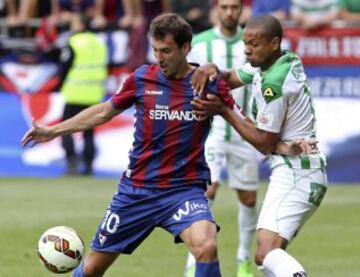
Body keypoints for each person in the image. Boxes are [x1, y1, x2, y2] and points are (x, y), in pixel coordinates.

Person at [22, 13, 308, 277]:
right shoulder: (141, 79)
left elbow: (244, 122)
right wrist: (53, 130)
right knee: (93, 268)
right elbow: (103, 111)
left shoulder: (209, 85)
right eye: (155, 50)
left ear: (186, 48)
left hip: (184, 191)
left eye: (166, 51)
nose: (159, 58)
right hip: (136, 192)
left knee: (206, 245)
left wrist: (281, 146)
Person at [191, 15, 327, 277]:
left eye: (253, 44)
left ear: (274, 43)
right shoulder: (284, 60)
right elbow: (229, 78)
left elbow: (264, 143)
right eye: (245, 43)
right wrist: (211, 68)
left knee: (265, 254)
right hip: (303, 169)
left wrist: (223, 110)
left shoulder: (273, 84)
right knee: (270, 258)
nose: (246, 50)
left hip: (295, 173)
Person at [186, 0, 258, 276]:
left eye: (235, 7)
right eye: (225, 7)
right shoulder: (201, 43)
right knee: (207, 192)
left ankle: (243, 260)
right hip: (209, 132)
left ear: (242, 9)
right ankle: (193, 262)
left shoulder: (252, 43)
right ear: (216, 8)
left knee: (249, 198)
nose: (230, 13)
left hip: (243, 131)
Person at [59, 14, 107, 175]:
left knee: (65, 129)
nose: (72, 25)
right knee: (89, 132)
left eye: (74, 22)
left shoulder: (74, 42)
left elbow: (64, 67)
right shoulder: (100, 43)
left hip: (75, 93)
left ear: (81, 25)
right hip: (94, 94)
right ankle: (89, 166)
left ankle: (71, 162)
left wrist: (60, 84)